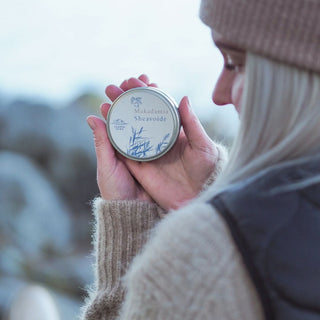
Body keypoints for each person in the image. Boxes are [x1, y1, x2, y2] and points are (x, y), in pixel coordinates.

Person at [81, 0, 320, 319]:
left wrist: (146, 230)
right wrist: (213, 197)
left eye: (235, 63)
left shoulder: (209, 253)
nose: (218, 95)